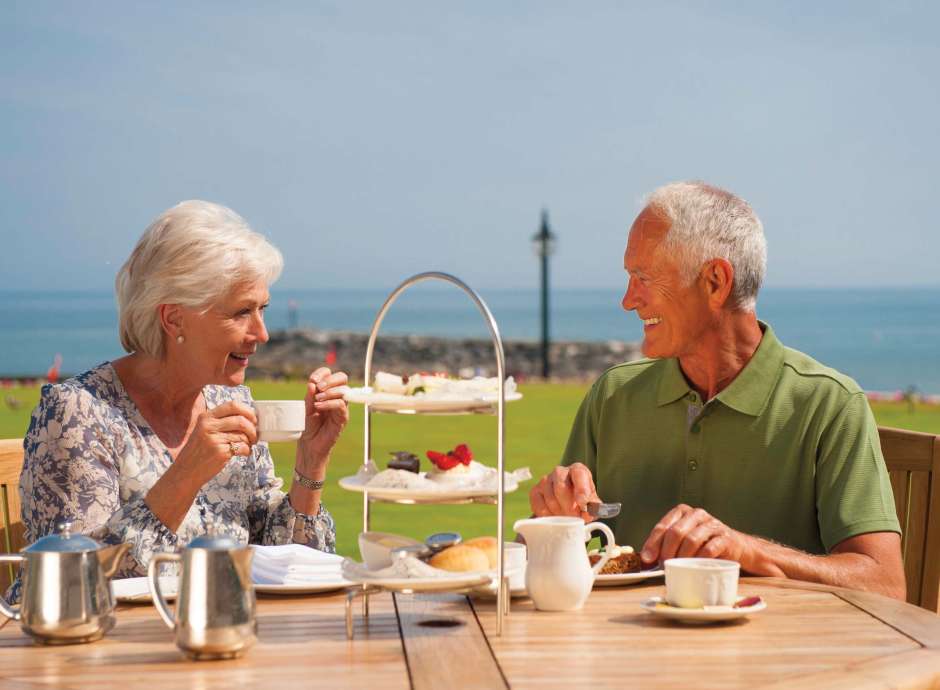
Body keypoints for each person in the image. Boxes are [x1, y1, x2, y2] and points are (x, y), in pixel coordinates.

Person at [529, 181, 905, 600]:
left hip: (782, 662)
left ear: (714, 281)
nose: (628, 300)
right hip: (627, 658)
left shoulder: (830, 405)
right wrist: (556, 518)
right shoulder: (612, 397)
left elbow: (885, 584)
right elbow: (547, 559)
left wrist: (747, 551)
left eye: (643, 277)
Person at [17, 200, 349, 594]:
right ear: (173, 318)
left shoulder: (231, 402)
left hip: (216, 635)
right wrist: (186, 474)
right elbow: (69, 586)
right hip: (107, 650)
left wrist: (311, 461)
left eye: (262, 309)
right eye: (241, 312)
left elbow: (281, 561)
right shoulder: (77, 414)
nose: (262, 334)